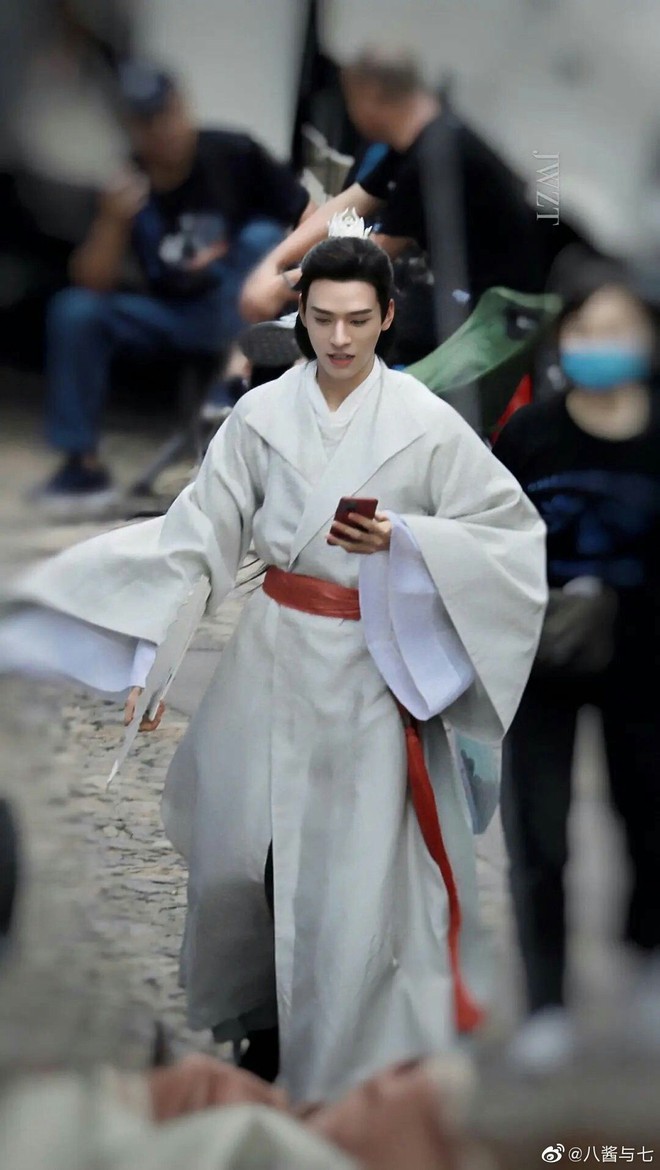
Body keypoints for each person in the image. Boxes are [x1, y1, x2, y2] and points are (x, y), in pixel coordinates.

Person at [2, 224, 546, 1102]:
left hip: (370, 668)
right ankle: (261, 1023)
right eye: (322, 319)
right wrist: (153, 655)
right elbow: (197, 538)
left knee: (349, 876)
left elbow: (508, 537)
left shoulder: (427, 424)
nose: (339, 338)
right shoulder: (260, 416)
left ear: (388, 317)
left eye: (357, 320)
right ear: (301, 314)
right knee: (237, 858)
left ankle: (342, 1054)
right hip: (273, 650)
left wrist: (405, 541)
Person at [493, 253, 660, 1050]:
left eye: (619, 330)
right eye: (587, 331)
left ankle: (648, 953)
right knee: (540, 835)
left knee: (651, 817)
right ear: (562, 341)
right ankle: (546, 1001)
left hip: (646, 663)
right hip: (541, 660)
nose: (603, 344)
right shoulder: (531, 434)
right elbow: (487, 540)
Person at [36, 60, 315, 513]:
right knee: (75, 309)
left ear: (183, 107)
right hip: (172, 315)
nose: (162, 130)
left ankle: (233, 379)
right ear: (131, 129)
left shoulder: (233, 154)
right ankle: (81, 469)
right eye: (146, 122)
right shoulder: (126, 184)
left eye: (167, 113)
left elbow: (310, 216)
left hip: (245, 308)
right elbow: (91, 280)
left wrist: (287, 277)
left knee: (261, 237)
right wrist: (111, 221)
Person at [239, 51, 543, 332]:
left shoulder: (433, 156)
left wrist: (280, 286)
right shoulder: (416, 137)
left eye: (351, 101)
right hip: (469, 292)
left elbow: (370, 257)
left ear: (370, 96)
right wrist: (272, 263)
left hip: (500, 313)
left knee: (366, 321)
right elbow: (352, 200)